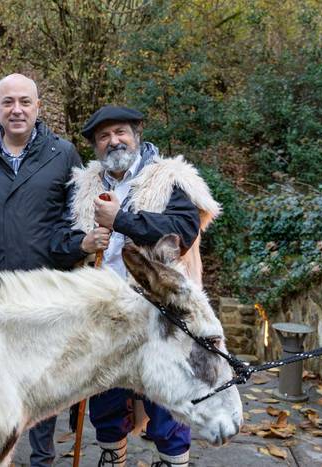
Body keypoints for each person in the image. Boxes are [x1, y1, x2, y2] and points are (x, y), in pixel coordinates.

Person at [52, 105, 221, 467]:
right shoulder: (85, 186)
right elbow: (58, 238)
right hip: (106, 307)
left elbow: (183, 230)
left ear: (136, 135)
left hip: (159, 310)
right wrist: (82, 244)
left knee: (167, 397)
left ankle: (173, 461)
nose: (113, 141)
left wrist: (122, 220)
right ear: (95, 147)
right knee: (105, 394)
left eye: (120, 133)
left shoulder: (168, 178)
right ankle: (113, 457)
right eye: (103, 136)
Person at [0, 73, 96, 466]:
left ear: (38, 107)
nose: (16, 110)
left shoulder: (63, 154)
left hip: (43, 292)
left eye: (25, 102)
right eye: (8, 102)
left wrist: (73, 257)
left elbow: (76, 226)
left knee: (41, 382)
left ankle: (43, 459)